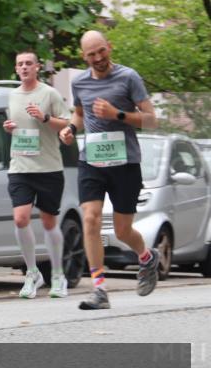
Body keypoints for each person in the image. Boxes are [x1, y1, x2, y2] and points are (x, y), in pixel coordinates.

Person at [59, 30, 159, 310]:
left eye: (101, 51)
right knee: (90, 219)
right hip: (92, 160)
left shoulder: (129, 77)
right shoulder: (79, 82)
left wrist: (118, 114)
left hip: (125, 162)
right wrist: (70, 128)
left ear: (109, 47)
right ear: (84, 56)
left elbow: (152, 120)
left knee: (122, 230)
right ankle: (100, 290)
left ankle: (147, 257)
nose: (98, 58)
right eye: (91, 54)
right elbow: (80, 113)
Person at [2, 51, 72, 299]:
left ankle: (58, 275)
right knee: (20, 219)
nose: (24, 67)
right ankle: (32, 273)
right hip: (20, 167)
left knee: (49, 222)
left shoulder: (49, 94)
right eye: (20, 64)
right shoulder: (12, 95)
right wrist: (8, 128)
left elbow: (66, 123)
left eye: (28, 64)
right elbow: (16, 126)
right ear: (16, 69)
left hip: (48, 167)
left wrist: (44, 118)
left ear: (37, 67)